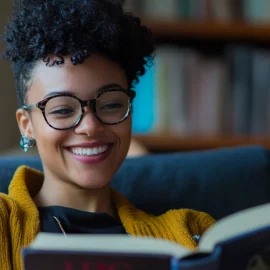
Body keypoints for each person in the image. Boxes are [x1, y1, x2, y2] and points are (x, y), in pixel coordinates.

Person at [0, 0, 215, 269]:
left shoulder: (191, 233)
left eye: (111, 104)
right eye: (63, 109)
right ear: (26, 124)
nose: (90, 127)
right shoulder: (3, 226)